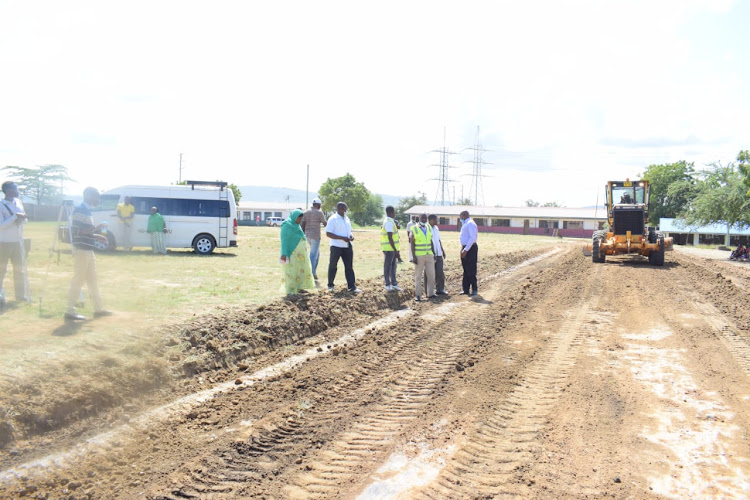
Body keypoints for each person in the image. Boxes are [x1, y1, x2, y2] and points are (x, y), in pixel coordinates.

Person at [65, 187, 111, 320]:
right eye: (97, 196)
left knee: (92, 280)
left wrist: (97, 236)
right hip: (81, 249)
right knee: (78, 279)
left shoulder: (86, 210)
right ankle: (69, 311)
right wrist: (97, 228)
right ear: (89, 196)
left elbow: (85, 231)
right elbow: (76, 231)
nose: (98, 200)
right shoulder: (80, 209)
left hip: (87, 249)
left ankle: (98, 309)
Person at [0, 181, 30, 307]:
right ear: (7, 190)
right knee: (2, 270)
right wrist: (14, 217)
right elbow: (1, 226)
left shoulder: (18, 202)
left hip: (18, 241)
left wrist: (21, 219)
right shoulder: (1, 205)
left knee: (20, 270)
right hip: (4, 242)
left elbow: (25, 219)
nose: (17, 191)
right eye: (14, 189)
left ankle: (20, 295)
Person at [326, 202, 361, 294]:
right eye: (342, 208)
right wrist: (342, 238)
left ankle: (352, 286)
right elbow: (328, 233)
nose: (344, 210)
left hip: (347, 246)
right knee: (333, 265)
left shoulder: (347, 218)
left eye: (345, 208)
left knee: (349, 267)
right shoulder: (332, 219)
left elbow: (349, 231)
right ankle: (330, 285)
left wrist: (351, 236)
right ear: (338, 208)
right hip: (336, 246)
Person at [280, 209, 315, 295]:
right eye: (299, 219)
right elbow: (284, 241)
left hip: (300, 255)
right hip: (291, 253)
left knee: (300, 270)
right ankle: (290, 290)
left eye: (301, 219)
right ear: (294, 217)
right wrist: (284, 254)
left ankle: (299, 288)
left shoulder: (297, 226)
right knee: (291, 271)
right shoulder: (286, 225)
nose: (300, 221)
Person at [301, 197, 327, 281]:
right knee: (313, 255)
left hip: (307, 235)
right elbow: (325, 223)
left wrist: (302, 234)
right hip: (315, 236)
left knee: (317, 254)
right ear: (319, 205)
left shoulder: (306, 212)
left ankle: (314, 272)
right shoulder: (319, 212)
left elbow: (303, 224)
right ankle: (311, 273)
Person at [411, 213, 435, 301]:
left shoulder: (429, 227)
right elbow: (412, 244)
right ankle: (418, 295)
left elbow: (430, 241)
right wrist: (413, 256)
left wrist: (434, 253)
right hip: (419, 256)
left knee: (431, 275)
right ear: (419, 218)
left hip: (429, 255)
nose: (424, 219)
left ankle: (431, 293)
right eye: (422, 218)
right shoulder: (414, 228)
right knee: (418, 276)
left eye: (425, 218)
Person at [381, 205, 402, 292]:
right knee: (388, 266)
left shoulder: (391, 221)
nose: (395, 214)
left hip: (393, 249)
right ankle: (387, 284)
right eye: (394, 212)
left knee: (393, 266)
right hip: (389, 249)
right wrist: (395, 250)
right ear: (391, 212)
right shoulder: (389, 222)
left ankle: (394, 284)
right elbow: (390, 237)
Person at [459, 210, 478, 296]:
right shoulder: (466, 224)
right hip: (465, 247)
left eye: (460, 217)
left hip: (470, 248)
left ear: (464, 215)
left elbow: (472, 237)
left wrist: (466, 250)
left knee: (471, 269)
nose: (460, 219)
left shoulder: (470, 223)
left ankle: (474, 289)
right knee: (466, 269)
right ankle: (465, 289)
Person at [428, 214, 448, 295]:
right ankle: (430, 291)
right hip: (430, 254)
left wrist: (442, 250)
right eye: (436, 220)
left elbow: (439, 240)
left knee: (440, 272)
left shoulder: (436, 228)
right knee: (430, 273)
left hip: (439, 253)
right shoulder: (426, 228)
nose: (437, 221)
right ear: (431, 220)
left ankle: (440, 289)